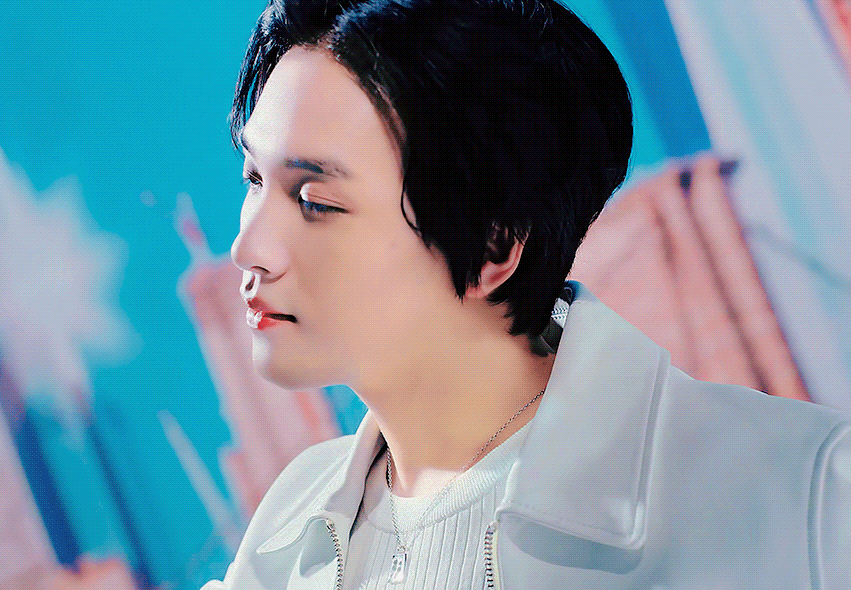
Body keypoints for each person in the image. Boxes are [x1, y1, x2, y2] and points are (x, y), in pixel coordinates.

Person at [202, 0, 851, 587]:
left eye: (315, 201)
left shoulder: (799, 493)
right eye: (254, 179)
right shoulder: (285, 533)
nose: (247, 247)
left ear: (494, 248)